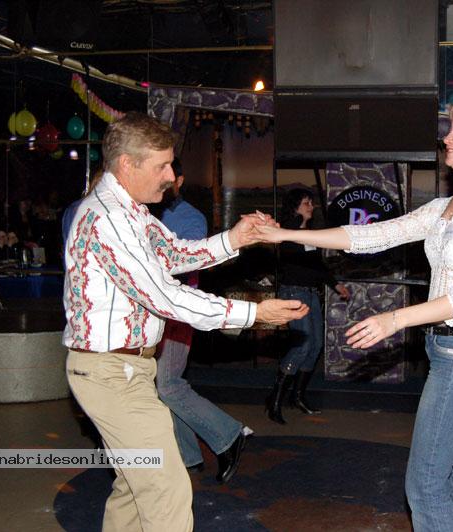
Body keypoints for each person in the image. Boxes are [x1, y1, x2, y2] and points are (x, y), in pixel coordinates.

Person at [254, 99, 453, 531]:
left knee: (425, 485)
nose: (447, 138)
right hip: (446, 350)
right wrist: (283, 233)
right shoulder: (444, 207)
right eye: (450, 129)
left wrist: (394, 320)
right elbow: (370, 236)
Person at [62, 112, 308, 532]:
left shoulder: (130, 212)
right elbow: (165, 296)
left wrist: (236, 238)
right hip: (110, 373)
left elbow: (176, 254)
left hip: (125, 370)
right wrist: (254, 313)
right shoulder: (108, 219)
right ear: (127, 164)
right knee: (166, 489)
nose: (170, 176)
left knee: (133, 487)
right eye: (162, 165)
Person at [156, 167, 250, 482]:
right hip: (153, 312)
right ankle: (189, 456)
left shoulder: (190, 217)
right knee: (164, 388)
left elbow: (188, 263)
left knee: (168, 385)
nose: (162, 178)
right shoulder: (146, 212)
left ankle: (229, 435)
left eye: (167, 172)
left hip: (178, 312)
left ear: (180, 180)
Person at [265, 189, 350, 424]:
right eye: (306, 203)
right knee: (302, 347)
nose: (311, 206)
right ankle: (274, 400)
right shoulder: (288, 233)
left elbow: (317, 266)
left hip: (311, 294)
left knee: (315, 346)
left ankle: (297, 397)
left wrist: (335, 285)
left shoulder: (309, 234)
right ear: (295, 207)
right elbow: (292, 259)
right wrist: (299, 231)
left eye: (311, 202)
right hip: (294, 294)